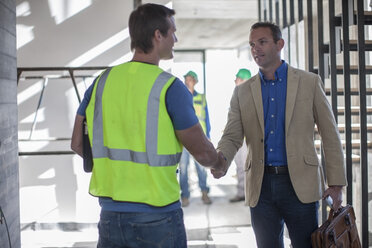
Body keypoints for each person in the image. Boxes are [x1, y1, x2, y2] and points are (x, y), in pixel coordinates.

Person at [70, 4, 226, 248]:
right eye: (172, 32)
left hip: (110, 217)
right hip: (157, 217)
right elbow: (204, 153)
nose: (175, 38)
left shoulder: (100, 82)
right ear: (158, 35)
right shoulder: (170, 88)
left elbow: (77, 144)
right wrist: (219, 163)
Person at [212, 22, 347, 248]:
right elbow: (232, 134)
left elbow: (329, 133)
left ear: (280, 44)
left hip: (300, 185)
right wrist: (221, 160)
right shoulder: (242, 91)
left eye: (262, 42)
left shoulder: (309, 83)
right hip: (260, 185)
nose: (256, 49)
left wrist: (336, 183)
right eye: (252, 44)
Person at [179, 71, 212, 207]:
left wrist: (208, 137)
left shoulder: (202, 98)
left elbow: (207, 119)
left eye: (190, 79)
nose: (188, 81)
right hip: (184, 141)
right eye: (186, 79)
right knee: (183, 169)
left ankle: (204, 192)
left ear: (195, 81)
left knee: (202, 168)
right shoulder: (180, 98)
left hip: (199, 140)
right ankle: (185, 196)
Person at [229, 68, 251, 203]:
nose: (235, 81)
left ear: (244, 80)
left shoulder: (250, 96)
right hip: (239, 140)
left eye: (237, 78)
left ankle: (249, 195)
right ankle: (241, 193)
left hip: (248, 140)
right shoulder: (237, 95)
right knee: (239, 167)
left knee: (248, 167)